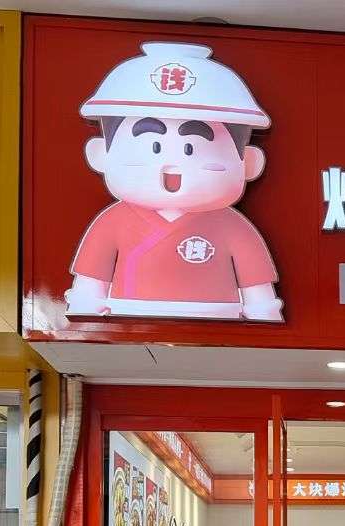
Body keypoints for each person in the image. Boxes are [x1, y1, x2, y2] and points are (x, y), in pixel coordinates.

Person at [66, 41, 282, 322]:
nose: (172, 164)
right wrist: (84, 319)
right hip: (128, 321)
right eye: (154, 147)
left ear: (249, 162)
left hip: (220, 325)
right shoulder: (112, 222)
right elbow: (89, 290)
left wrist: (263, 318)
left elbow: (259, 297)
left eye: (191, 148)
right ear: (99, 155)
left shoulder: (233, 226)